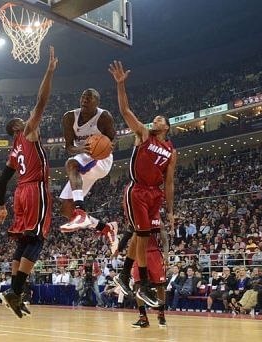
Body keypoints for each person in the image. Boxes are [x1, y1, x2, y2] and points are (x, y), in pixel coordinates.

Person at [0, 47, 57, 319]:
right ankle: (15, 290)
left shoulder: (13, 151)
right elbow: (41, 101)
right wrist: (49, 71)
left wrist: (1, 205)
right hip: (34, 190)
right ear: (19, 127)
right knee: (39, 237)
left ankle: (15, 291)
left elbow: (2, 179)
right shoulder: (28, 132)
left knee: (23, 239)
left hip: (20, 193)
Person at [109, 61, 177, 307]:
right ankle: (143, 284)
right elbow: (126, 110)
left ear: (166, 127)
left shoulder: (171, 150)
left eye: (159, 119)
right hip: (137, 190)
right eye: (154, 119)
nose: (155, 121)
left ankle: (125, 274)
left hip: (155, 194)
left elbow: (169, 183)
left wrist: (170, 211)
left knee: (143, 235)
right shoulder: (144, 135)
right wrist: (120, 85)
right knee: (141, 233)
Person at [58, 83, 118, 250]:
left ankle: (81, 211)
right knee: (65, 209)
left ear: (96, 102)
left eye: (89, 98)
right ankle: (106, 228)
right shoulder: (69, 117)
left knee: (71, 164)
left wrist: (108, 145)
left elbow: (113, 140)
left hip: (102, 159)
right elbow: (69, 146)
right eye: (83, 97)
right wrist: (81, 149)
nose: (84, 100)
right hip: (83, 155)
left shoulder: (104, 117)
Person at [130, 224, 170, 328]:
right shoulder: (134, 219)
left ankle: (161, 314)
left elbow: (164, 238)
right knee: (138, 286)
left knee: (160, 286)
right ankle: (143, 318)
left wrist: (166, 255)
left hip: (154, 254)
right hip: (139, 254)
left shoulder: (156, 219)